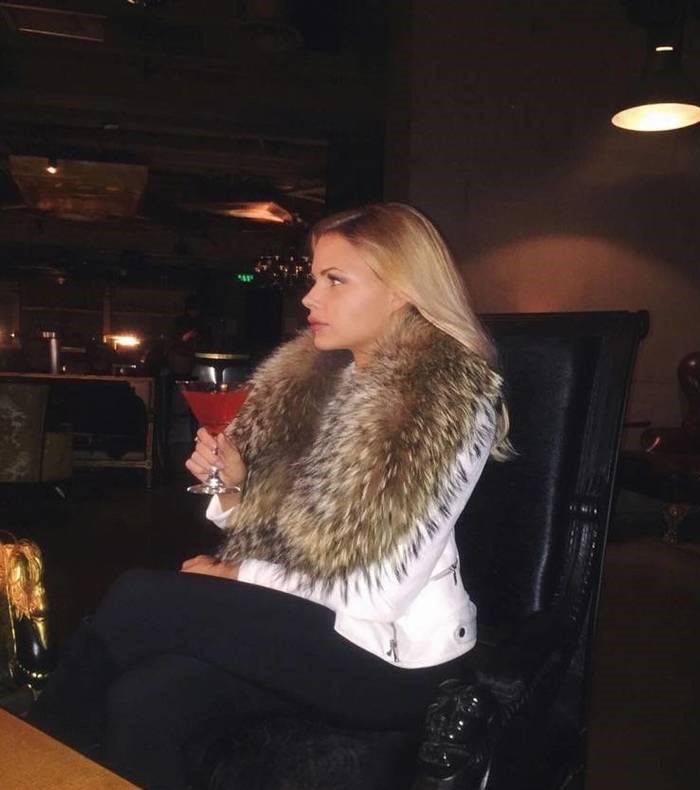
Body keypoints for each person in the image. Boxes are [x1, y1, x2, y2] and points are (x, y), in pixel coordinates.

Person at [27, 203, 510, 789]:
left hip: (395, 659)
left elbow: (376, 593)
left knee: (138, 597)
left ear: (401, 292)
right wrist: (236, 489)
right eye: (314, 277)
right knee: (147, 696)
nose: (309, 297)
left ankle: (27, 759)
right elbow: (293, 544)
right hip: (316, 625)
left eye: (335, 280)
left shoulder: (437, 401)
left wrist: (237, 576)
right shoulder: (330, 385)